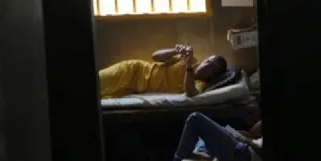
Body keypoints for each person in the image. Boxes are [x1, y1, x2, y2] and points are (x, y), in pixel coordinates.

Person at [143, 113, 263, 161]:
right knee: (204, 131)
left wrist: (244, 140)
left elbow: (260, 149)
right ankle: (202, 155)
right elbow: (252, 134)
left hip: (244, 154)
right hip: (243, 146)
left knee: (195, 119)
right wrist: (233, 133)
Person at [98, 45, 229, 99]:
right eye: (207, 61)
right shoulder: (190, 59)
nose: (206, 65)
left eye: (211, 67)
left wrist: (188, 67)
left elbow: (190, 92)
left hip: (133, 88)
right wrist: (176, 51)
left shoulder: (200, 83)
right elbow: (155, 56)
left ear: (213, 75)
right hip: (133, 70)